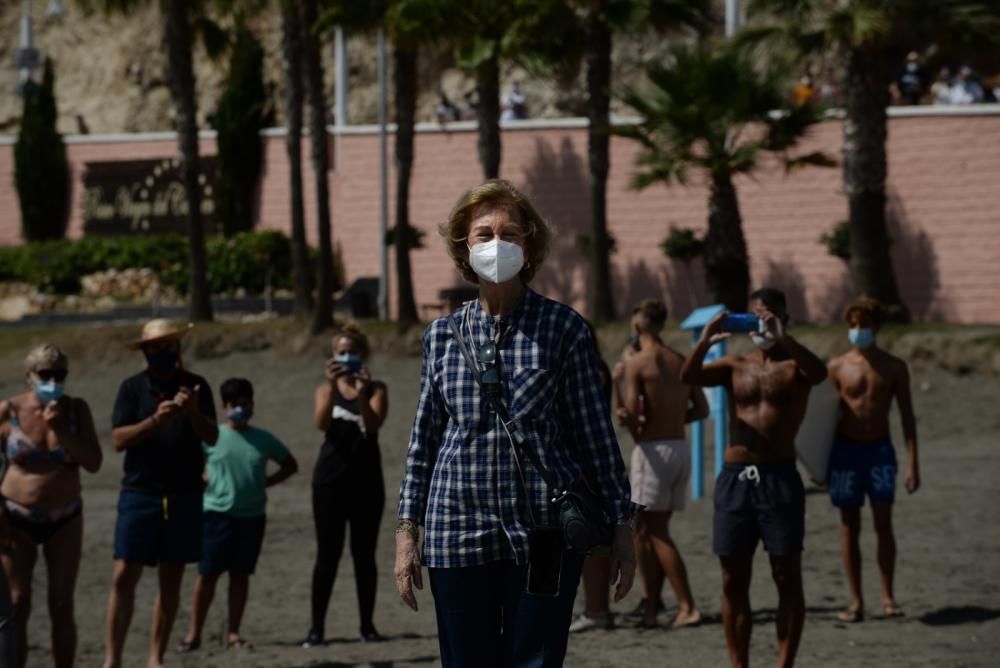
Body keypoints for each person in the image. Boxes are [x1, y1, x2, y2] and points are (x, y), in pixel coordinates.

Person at [395, 179, 636, 667]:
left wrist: (623, 526)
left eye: (510, 232)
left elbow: (595, 434)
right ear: (465, 245)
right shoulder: (441, 336)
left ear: (529, 243)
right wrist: (407, 532)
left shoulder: (564, 328)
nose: (497, 243)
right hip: (455, 530)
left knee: (537, 659)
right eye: (484, 233)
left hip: (545, 531)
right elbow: (423, 441)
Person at [680, 289, 827, 668]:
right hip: (735, 480)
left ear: (783, 319)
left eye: (769, 317)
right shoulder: (735, 365)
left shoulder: (795, 366)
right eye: (755, 317)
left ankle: (784, 663)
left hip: (778, 478)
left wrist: (785, 339)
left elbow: (820, 373)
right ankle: (738, 664)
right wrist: (706, 340)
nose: (761, 324)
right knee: (732, 578)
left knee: (786, 575)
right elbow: (689, 375)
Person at [103, 319, 218, 668]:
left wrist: (192, 413)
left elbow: (212, 437)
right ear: (145, 351)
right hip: (141, 491)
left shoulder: (196, 386)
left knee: (171, 577)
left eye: (170, 345)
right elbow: (118, 440)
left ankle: (156, 657)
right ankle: (114, 659)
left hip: (183, 493)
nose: (164, 352)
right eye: (156, 347)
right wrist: (155, 420)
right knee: (124, 572)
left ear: (178, 349)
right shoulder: (132, 388)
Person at [0, 344, 102, 668]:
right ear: (29, 376)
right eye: (46, 374)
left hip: (65, 518)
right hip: (16, 517)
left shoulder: (75, 410)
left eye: (60, 375)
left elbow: (93, 462)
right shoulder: (8, 411)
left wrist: (60, 429)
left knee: (61, 603)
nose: (54, 381)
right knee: (17, 602)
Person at [179, 378, 298, 651]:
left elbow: (290, 464)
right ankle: (193, 634)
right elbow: (189, 463)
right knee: (207, 575)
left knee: (240, 575)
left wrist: (266, 482)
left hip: (252, 516)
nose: (241, 409)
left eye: (246, 403)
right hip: (216, 515)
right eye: (235, 404)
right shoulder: (213, 437)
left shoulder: (263, 439)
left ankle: (233, 632)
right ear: (224, 406)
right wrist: (201, 476)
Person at [826, 297, 919, 623]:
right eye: (853, 325)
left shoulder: (894, 367)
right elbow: (823, 419)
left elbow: (907, 416)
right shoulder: (836, 367)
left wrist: (913, 462)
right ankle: (856, 601)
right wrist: (818, 463)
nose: (858, 331)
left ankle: (888, 595)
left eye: (864, 325)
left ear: (876, 326)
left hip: (879, 450)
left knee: (884, 524)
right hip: (845, 452)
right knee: (849, 526)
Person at [617, 300, 707, 631]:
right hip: (680, 447)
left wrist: (616, 387)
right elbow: (701, 410)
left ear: (638, 328)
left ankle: (687, 604)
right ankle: (652, 604)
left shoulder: (639, 363)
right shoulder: (679, 361)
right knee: (647, 531)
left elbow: (630, 419)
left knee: (653, 532)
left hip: (653, 452)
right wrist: (673, 419)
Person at [302, 325, 388, 647]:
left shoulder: (377, 388)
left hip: (367, 482)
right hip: (329, 481)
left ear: (363, 355)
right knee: (328, 555)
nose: (347, 357)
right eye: (341, 352)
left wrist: (363, 393)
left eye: (352, 351)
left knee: (364, 555)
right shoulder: (325, 390)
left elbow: (373, 425)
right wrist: (331, 383)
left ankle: (367, 625)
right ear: (332, 356)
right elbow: (321, 424)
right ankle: (317, 628)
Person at [569, 321, 617, 633]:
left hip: (585, 462)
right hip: (588, 461)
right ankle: (596, 607)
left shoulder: (591, 371)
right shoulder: (595, 366)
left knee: (594, 541)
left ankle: (597, 609)